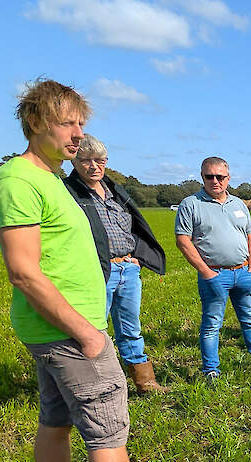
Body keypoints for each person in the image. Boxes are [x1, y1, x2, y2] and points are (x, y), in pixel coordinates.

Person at [0, 79, 191, 462]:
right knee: (108, 432)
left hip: (59, 331)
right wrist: (87, 334)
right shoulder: (17, 181)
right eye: (67, 123)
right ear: (35, 122)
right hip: (70, 333)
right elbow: (23, 272)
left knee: (55, 422)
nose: (77, 134)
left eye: (81, 123)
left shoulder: (48, 178)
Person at [63, 134, 167, 394]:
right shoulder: (69, 193)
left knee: (131, 328)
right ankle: (94, 384)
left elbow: (134, 226)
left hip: (128, 269)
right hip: (98, 271)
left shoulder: (115, 192)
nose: (94, 166)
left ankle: (145, 382)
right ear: (75, 163)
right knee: (94, 328)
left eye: (99, 161)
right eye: (86, 160)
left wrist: (136, 257)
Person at [175, 156, 251, 384]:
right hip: (215, 275)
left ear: (228, 178)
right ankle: (211, 370)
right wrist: (207, 273)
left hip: (243, 272)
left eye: (220, 177)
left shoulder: (238, 204)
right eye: (210, 176)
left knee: (250, 319)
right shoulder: (191, 204)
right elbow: (183, 241)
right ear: (202, 177)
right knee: (212, 324)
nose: (215, 181)